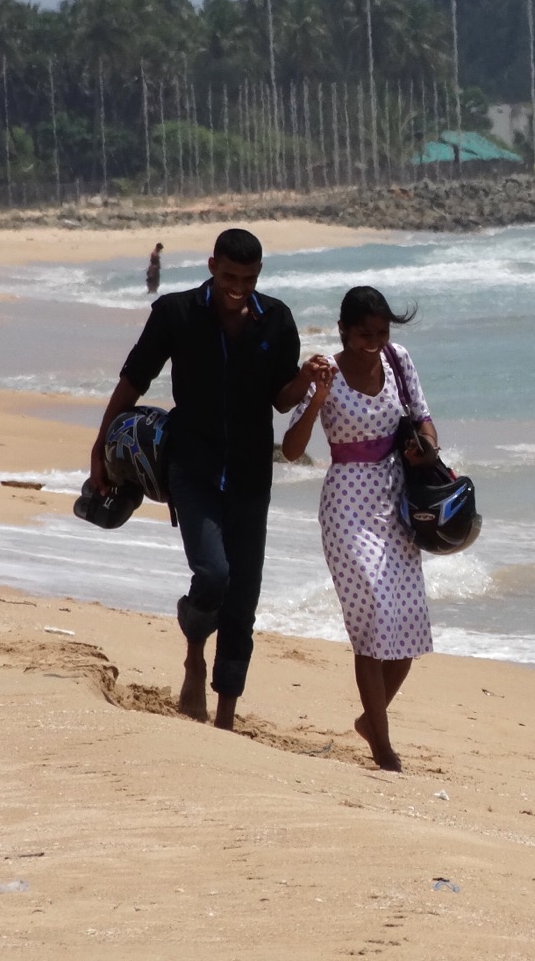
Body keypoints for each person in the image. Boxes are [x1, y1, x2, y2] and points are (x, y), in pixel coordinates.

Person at [90, 228, 329, 730]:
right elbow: (133, 380)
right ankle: (194, 652)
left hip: (249, 474)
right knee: (214, 575)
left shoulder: (277, 319)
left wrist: (307, 378)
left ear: (259, 273)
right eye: (228, 277)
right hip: (191, 466)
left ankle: (225, 716)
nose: (237, 288)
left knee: (243, 598)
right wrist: (99, 448)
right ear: (211, 266)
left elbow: (281, 399)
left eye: (247, 278)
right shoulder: (176, 314)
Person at [281, 286, 436, 772]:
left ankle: (372, 718)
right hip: (347, 500)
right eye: (364, 333)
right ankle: (382, 745)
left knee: (406, 627)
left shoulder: (398, 359)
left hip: (397, 497)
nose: (373, 342)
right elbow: (290, 448)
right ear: (343, 329)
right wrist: (317, 397)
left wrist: (424, 450)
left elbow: (425, 421)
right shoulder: (324, 372)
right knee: (371, 612)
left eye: (381, 332)